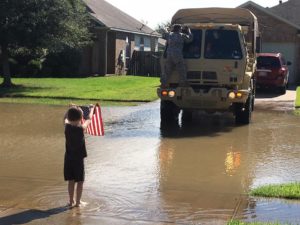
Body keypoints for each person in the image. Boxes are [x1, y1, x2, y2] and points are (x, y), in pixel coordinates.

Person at [63, 104, 94, 207]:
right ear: (81, 118)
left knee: (71, 181)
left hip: (68, 159)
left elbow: (65, 118)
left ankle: (70, 201)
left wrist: (69, 109)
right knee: (80, 181)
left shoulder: (66, 127)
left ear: (68, 117)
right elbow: (89, 118)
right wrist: (92, 109)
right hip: (78, 160)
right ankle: (78, 202)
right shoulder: (81, 128)